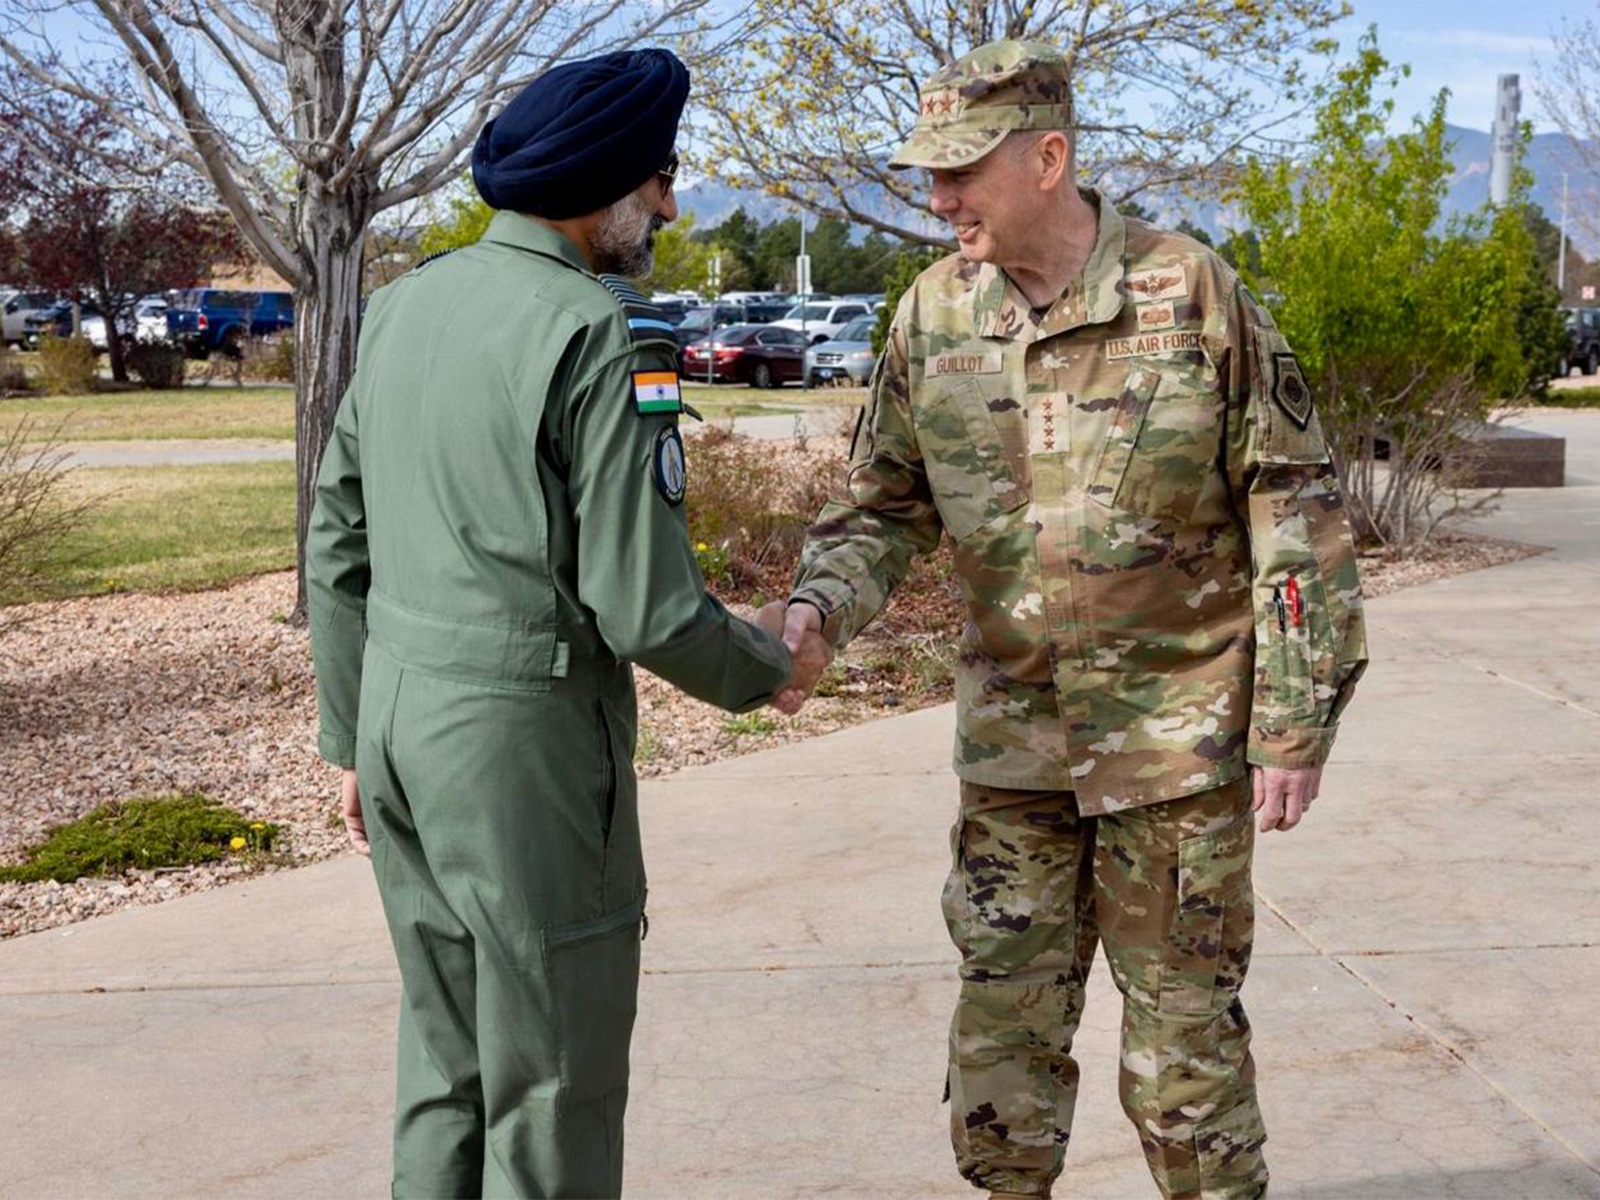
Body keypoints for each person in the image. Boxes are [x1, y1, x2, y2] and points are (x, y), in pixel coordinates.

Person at [777, 40, 1369, 1200]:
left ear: (1048, 158)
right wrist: (813, 615)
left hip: (1178, 749)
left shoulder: (1189, 290)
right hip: (1014, 755)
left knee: (1184, 1060)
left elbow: (1291, 509)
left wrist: (1294, 723)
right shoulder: (932, 316)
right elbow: (879, 511)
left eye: (960, 173)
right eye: (929, 175)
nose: (936, 200)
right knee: (1001, 1050)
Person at [305, 48, 827, 1199]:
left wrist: (352, 735)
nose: (668, 205)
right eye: (656, 181)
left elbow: (336, 543)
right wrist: (767, 668)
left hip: (399, 728)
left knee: (445, 1059)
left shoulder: (401, 307)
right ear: (602, 186)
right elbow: (641, 603)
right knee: (554, 1079)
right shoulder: (596, 331)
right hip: (522, 757)